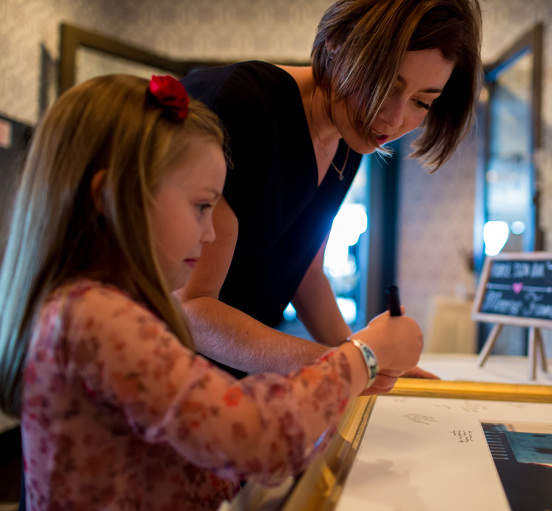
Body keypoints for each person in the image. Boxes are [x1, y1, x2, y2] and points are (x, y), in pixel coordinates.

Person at [0, 74, 422, 510]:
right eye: (203, 206)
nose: (210, 233)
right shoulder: (93, 317)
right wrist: (364, 355)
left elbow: (187, 459)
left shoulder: (106, 309)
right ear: (110, 198)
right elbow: (257, 437)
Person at [179, 0, 483, 386]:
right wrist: (357, 362)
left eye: (422, 102)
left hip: (230, 384)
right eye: (387, 84)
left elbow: (304, 268)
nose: (392, 119)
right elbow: (192, 309)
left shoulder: (348, 140)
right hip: (157, 383)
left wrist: (363, 356)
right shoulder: (239, 107)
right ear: (337, 43)